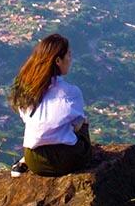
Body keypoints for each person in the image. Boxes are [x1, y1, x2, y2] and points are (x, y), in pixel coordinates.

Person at [7, 32, 91, 177]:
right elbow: (77, 125)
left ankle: (23, 161)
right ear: (58, 61)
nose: (70, 59)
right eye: (68, 55)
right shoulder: (70, 92)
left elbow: (28, 119)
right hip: (67, 160)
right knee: (83, 122)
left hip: (34, 160)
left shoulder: (28, 90)